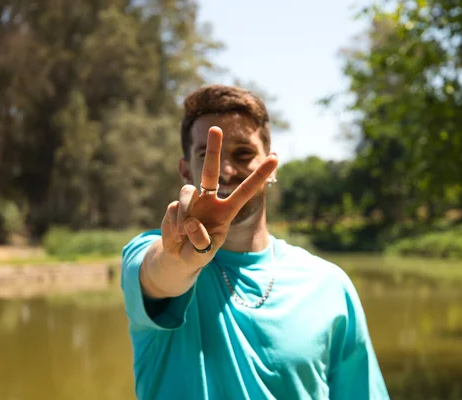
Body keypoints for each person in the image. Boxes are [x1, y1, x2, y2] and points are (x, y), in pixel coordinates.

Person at [120, 84, 390, 400]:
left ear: (270, 167)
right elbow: (160, 274)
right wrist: (180, 260)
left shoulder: (330, 285)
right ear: (185, 170)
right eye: (208, 155)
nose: (226, 170)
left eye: (244, 153)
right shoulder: (155, 249)